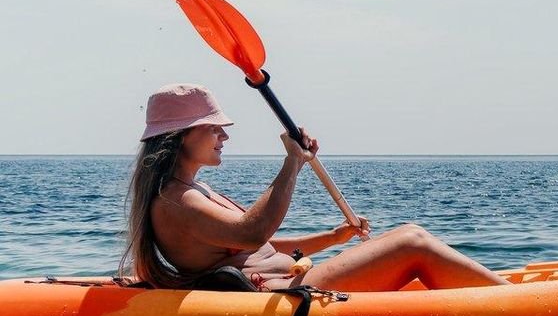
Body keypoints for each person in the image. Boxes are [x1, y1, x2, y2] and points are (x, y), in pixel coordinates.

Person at [122, 83, 509, 291]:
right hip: (279, 298)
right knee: (412, 243)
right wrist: (292, 161)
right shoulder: (175, 201)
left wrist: (334, 236)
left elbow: (262, 246)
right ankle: (519, 304)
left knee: (406, 235)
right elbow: (253, 232)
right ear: (180, 137)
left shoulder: (196, 191)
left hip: (293, 281)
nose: (223, 135)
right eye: (213, 127)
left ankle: (504, 295)